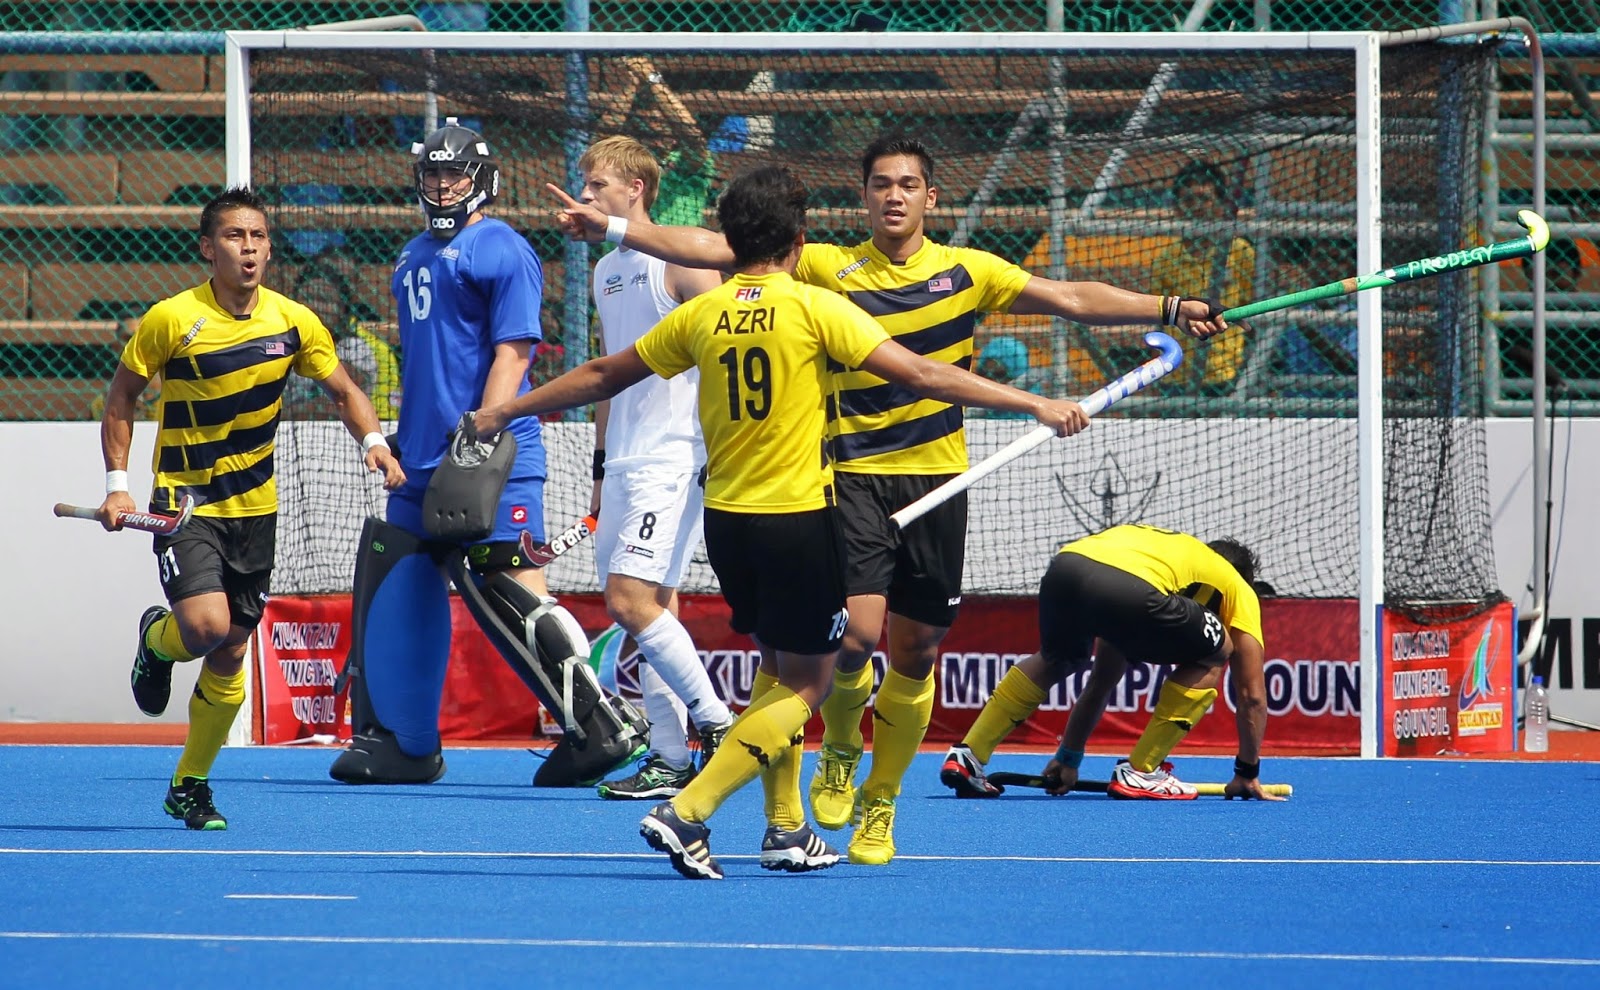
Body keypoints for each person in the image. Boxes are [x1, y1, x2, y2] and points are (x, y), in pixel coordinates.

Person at [545, 135, 1227, 866]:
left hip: (939, 479)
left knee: (917, 651)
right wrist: (612, 227)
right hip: (851, 478)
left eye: (906, 184)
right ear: (864, 196)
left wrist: (1169, 305)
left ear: (930, 197)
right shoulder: (825, 266)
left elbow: (1070, 299)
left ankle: (881, 802)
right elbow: (714, 246)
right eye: (879, 184)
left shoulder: (969, 270)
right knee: (854, 638)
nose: (893, 195)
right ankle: (840, 748)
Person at [472, 163, 1089, 879]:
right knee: (807, 688)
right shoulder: (814, 307)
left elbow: (603, 374)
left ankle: (786, 829)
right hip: (797, 522)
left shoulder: (703, 314)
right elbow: (922, 375)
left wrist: (504, 409)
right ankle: (689, 809)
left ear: (731, 242)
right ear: (798, 243)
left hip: (727, 526)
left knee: (775, 670)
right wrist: (1034, 403)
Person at [327, 118, 637, 789]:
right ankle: (403, 744)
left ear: (482, 180)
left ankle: (599, 726)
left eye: (454, 173)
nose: (442, 185)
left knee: (508, 586)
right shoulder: (410, 255)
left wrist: (479, 440)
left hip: (491, 457)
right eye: (433, 173)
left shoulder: (503, 248)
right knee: (397, 579)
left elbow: (514, 353)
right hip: (418, 459)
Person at [99, 186, 405, 830]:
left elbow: (343, 390)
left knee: (232, 650)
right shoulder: (172, 319)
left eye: (258, 237)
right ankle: (158, 642)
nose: (249, 248)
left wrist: (374, 443)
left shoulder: (293, 321)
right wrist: (117, 485)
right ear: (207, 249)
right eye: (235, 236)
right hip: (185, 504)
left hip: (255, 511)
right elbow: (122, 398)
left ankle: (190, 784)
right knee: (205, 627)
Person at [572, 135, 735, 801]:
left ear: (635, 189)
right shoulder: (603, 271)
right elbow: (608, 377)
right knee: (649, 611)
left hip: (674, 456)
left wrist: (721, 446)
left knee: (629, 601)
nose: (585, 196)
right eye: (585, 185)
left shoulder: (682, 259)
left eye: (598, 186)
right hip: (625, 460)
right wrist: (600, 471)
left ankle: (718, 723)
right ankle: (669, 756)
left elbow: (726, 349)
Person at [938, 524, 1283, 802]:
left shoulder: (1169, 562)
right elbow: (1252, 696)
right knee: (1217, 650)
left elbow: (1100, 684)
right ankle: (1142, 771)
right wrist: (1247, 772)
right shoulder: (1237, 587)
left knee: (1057, 659)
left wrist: (1069, 757)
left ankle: (968, 756)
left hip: (1066, 566)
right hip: (1129, 587)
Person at [1149, 161, 1255, 395]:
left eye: (1204, 199)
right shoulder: (1166, 259)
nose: (1197, 207)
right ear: (1177, 207)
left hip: (1226, 373)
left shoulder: (1240, 252)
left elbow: (1251, 307)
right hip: (1175, 373)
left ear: (1220, 204)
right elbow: (1157, 319)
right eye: (1188, 200)